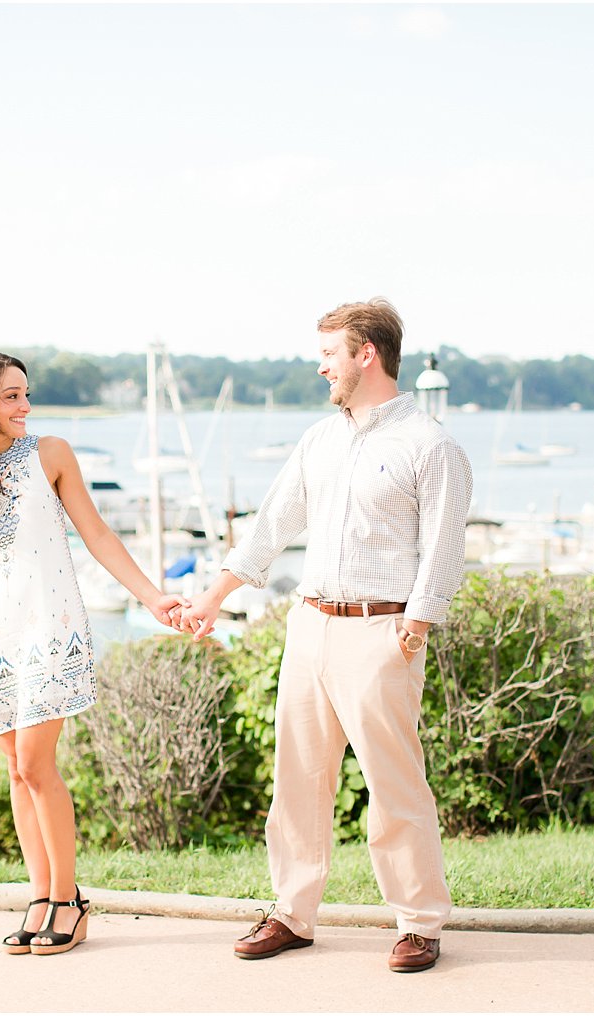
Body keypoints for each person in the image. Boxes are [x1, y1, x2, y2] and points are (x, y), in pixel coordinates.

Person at [178, 298, 473, 974]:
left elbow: (444, 547)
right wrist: (213, 598)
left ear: (365, 354)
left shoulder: (430, 445)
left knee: (395, 785)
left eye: (329, 355)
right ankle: (292, 913)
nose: (321, 369)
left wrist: (418, 623)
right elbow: (271, 524)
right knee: (298, 780)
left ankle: (420, 922)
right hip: (309, 627)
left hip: (382, 633)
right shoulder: (320, 439)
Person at [0, 350, 187, 956]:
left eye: (26, 394)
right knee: (16, 769)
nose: (25, 406)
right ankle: (40, 896)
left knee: (38, 765)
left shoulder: (52, 455)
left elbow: (96, 533)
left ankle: (69, 900)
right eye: (11, 396)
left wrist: (150, 597)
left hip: (54, 628)